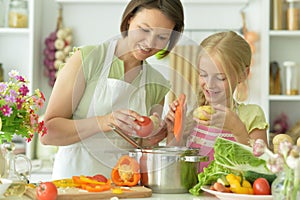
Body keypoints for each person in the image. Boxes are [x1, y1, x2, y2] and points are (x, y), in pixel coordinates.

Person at [41, 0, 184, 179]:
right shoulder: (88, 60)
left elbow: (142, 149)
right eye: (144, 29)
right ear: (130, 19)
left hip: (124, 189)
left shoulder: (157, 83)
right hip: (73, 185)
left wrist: (152, 140)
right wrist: (105, 121)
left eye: (162, 37)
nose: (149, 43)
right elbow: (47, 133)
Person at [165, 31, 268, 171]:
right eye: (203, 75)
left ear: (243, 74)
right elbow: (173, 167)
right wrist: (174, 132)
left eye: (220, 78)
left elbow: (262, 169)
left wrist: (237, 128)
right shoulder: (191, 116)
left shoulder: (252, 116)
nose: (209, 84)